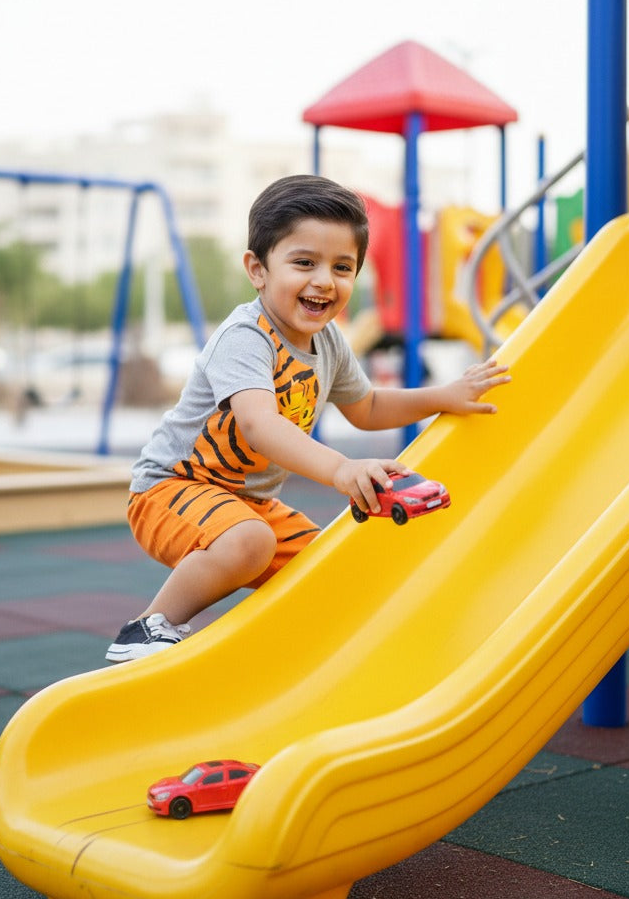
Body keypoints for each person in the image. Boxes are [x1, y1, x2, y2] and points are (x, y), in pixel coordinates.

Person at [106, 174, 510, 663]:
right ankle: (150, 628)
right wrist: (342, 469)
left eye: (343, 267)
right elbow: (259, 424)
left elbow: (369, 408)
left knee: (328, 567)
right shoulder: (245, 337)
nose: (324, 281)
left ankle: (295, 657)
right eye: (304, 262)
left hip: (248, 502)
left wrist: (443, 395)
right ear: (258, 269)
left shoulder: (329, 342)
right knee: (251, 541)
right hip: (169, 489)